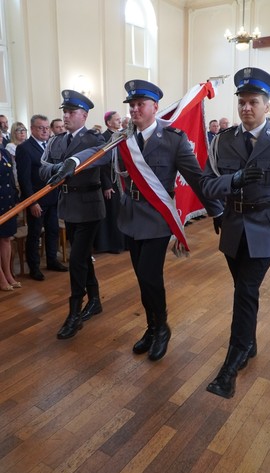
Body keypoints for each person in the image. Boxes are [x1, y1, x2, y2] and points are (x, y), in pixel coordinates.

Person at [49, 80, 224, 359]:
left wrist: (217, 210)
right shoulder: (123, 139)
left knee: (150, 277)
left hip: (156, 218)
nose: (134, 109)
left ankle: (162, 328)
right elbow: (96, 154)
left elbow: (197, 178)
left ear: (155, 107)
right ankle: (151, 327)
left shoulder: (173, 139)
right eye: (131, 105)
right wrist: (72, 163)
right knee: (142, 280)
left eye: (140, 104)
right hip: (129, 217)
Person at [200, 67, 270, 399]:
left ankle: (232, 363)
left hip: (267, 227)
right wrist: (233, 184)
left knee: (245, 289)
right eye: (241, 102)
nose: (246, 108)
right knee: (243, 289)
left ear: (267, 106)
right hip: (232, 227)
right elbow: (207, 184)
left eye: (253, 102)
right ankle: (250, 341)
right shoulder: (223, 141)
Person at [39, 90, 109, 340]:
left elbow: (103, 160)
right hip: (68, 205)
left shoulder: (95, 139)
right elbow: (43, 169)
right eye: (64, 112)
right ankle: (95, 300)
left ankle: (75, 313)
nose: (66, 116)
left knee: (77, 259)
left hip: (90, 206)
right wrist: (59, 167)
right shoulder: (56, 141)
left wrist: (68, 166)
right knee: (82, 257)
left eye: (71, 112)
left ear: (84, 115)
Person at [16, 114, 67, 281]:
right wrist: (32, 202)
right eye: (41, 128)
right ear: (32, 129)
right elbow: (24, 179)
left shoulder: (52, 144)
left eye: (46, 127)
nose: (45, 131)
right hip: (37, 200)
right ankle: (34, 267)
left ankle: (52, 260)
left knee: (52, 231)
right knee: (35, 233)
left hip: (53, 197)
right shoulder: (24, 148)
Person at [93, 111, 128, 254]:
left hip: (122, 180)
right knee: (113, 213)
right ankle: (113, 244)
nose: (120, 122)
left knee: (123, 212)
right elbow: (101, 165)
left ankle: (125, 242)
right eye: (117, 120)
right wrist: (106, 185)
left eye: (120, 119)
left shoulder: (121, 136)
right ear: (108, 123)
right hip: (110, 182)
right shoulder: (104, 138)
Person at [0, 146, 21, 291]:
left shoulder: (5, 152)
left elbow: (12, 178)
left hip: (7, 203)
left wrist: (16, 198)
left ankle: (8, 273)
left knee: (6, 239)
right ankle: (1, 278)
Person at [6, 121, 28, 186]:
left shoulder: (28, 145)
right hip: (17, 178)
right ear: (13, 133)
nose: (22, 132)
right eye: (18, 130)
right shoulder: (10, 146)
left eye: (23, 129)